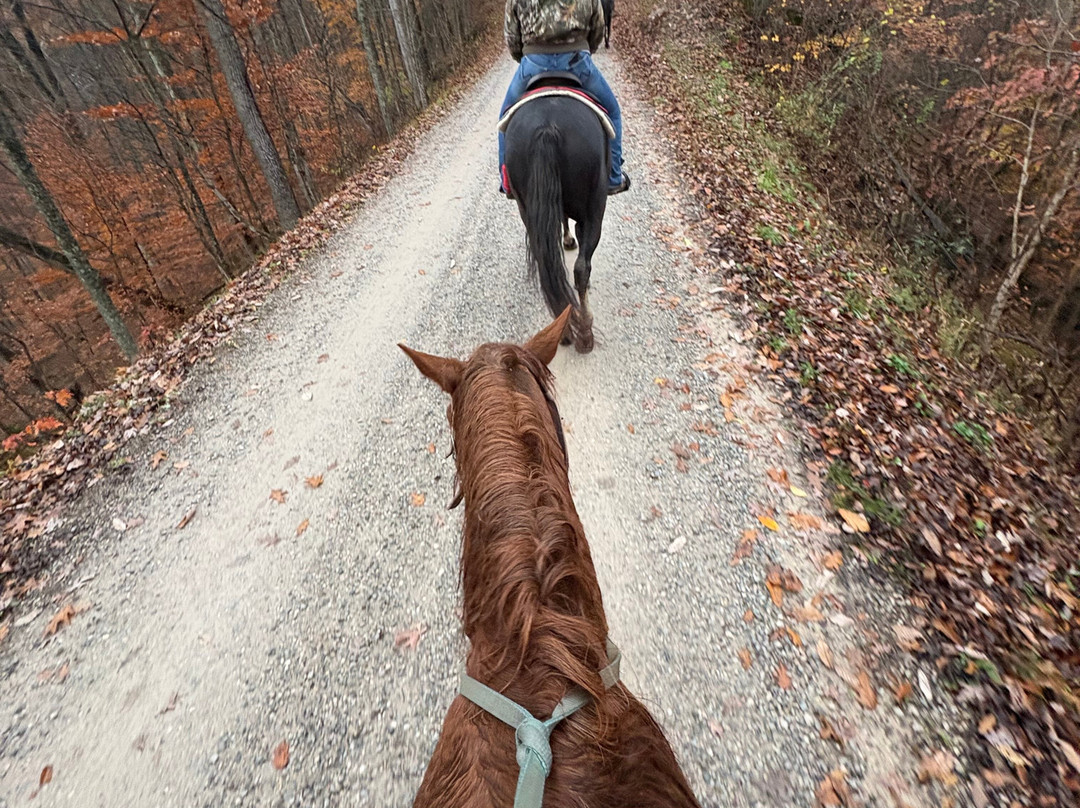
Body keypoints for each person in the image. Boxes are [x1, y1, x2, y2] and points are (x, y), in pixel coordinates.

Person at [500, 0, 630, 197]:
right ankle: (613, 177)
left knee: (504, 117)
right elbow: (597, 29)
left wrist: (526, 56)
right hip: (576, 61)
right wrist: (584, 50)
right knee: (612, 111)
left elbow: (512, 38)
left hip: (533, 62)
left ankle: (507, 181)